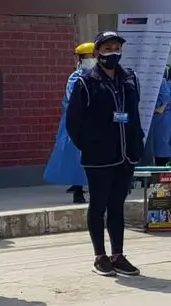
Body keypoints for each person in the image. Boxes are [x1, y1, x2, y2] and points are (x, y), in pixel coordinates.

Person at [65, 31, 144, 278]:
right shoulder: (86, 82)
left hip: (126, 154)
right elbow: (73, 123)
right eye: (107, 48)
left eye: (117, 47)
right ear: (98, 52)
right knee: (98, 205)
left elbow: (135, 113)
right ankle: (100, 256)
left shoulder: (130, 78)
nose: (113, 52)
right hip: (99, 157)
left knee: (117, 205)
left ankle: (118, 254)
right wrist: (90, 146)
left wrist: (136, 142)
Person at [44, 42, 97, 205]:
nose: (91, 60)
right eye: (87, 57)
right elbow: (72, 100)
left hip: (97, 123)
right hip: (79, 123)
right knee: (77, 157)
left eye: (92, 56)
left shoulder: (102, 75)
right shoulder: (76, 77)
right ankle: (78, 189)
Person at [151, 65, 171, 166]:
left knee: (161, 146)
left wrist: (156, 108)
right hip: (163, 116)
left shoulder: (161, 80)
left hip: (162, 115)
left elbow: (166, 98)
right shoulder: (167, 81)